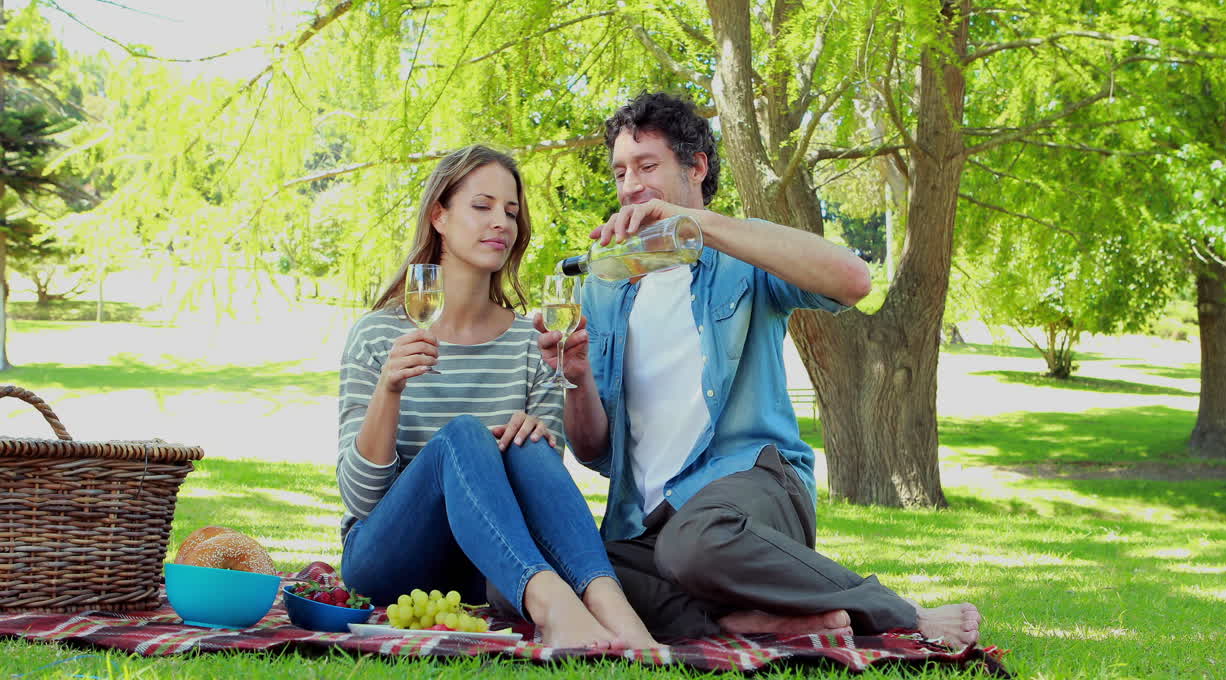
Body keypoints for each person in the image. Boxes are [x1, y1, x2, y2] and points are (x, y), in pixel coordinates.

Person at [536, 93, 982, 647]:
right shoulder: (604, 286)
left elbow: (853, 281)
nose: (630, 185)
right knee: (551, 566)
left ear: (696, 167)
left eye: (647, 166)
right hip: (644, 523)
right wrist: (576, 376)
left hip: (750, 490)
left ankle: (898, 611)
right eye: (621, 171)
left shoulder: (743, 256)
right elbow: (594, 451)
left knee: (695, 542)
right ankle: (738, 619)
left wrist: (696, 225)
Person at [337, 144, 658, 649]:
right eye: (482, 206)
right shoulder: (378, 336)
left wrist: (540, 436)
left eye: (511, 212)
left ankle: (611, 607)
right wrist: (389, 389)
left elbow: (543, 499)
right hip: (387, 562)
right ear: (439, 216)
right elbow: (361, 500)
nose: (501, 223)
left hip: (488, 569)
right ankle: (552, 607)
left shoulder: (533, 342)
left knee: (527, 443)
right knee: (464, 436)